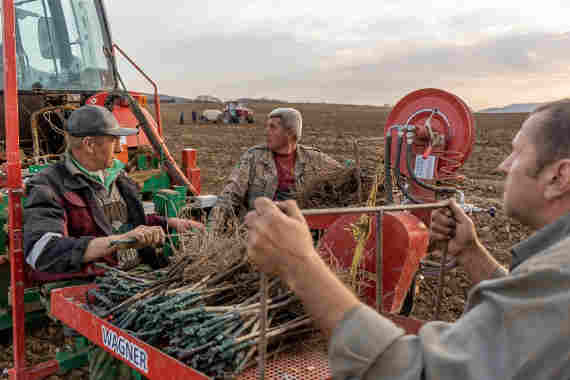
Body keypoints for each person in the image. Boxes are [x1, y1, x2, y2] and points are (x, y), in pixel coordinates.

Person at [245, 101, 570, 379]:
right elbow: (527, 318)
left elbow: (414, 372)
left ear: (559, 176)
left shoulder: (561, 276)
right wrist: (471, 254)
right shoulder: (554, 275)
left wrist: (299, 264)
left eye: (516, 152)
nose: (503, 165)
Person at [23, 104, 201, 379]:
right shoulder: (48, 184)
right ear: (90, 144)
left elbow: (128, 227)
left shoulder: (119, 178)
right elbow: (41, 251)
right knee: (120, 337)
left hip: (135, 275)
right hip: (86, 281)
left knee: (190, 312)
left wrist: (171, 224)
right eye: (114, 140)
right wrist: (118, 242)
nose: (121, 147)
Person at [211, 107, 342, 225]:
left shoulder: (314, 158)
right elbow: (229, 196)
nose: (267, 132)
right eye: (267, 127)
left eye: (273, 127)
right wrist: (212, 230)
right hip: (259, 232)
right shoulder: (253, 157)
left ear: (290, 132)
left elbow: (345, 174)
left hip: (299, 231)